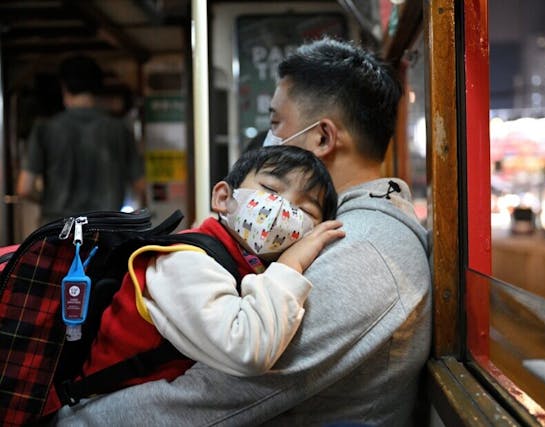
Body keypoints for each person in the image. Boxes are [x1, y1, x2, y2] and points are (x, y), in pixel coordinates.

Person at [56, 37, 431, 426]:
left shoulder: (364, 252)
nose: (268, 139)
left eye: (275, 123)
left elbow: (214, 397)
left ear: (321, 137)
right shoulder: (349, 229)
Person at [45, 145, 343, 415]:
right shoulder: (185, 260)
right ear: (224, 198)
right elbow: (247, 350)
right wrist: (292, 264)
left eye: (304, 210)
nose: (283, 210)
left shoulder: (246, 265)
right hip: (100, 414)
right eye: (270, 189)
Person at [16, 54, 146, 225]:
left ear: (64, 87)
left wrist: (50, 201)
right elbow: (140, 185)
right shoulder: (120, 129)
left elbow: (24, 188)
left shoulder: (45, 129)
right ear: (99, 87)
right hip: (107, 229)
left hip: (57, 229)